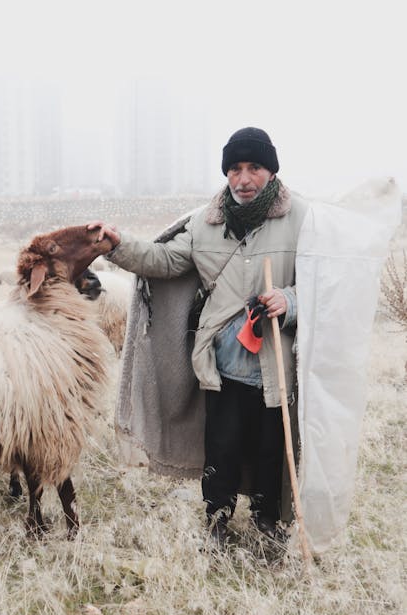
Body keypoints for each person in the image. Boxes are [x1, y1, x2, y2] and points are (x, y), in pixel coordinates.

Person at [90, 127, 309, 547]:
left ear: (271, 170)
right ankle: (218, 523)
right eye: (235, 169)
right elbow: (164, 260)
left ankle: (268, 525)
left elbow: (323, 282)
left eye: (254, 168)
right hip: (222, 364)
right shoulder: (207, 222)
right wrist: (118, 246)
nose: (243, 179)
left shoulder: (299, 219)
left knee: (271, 452)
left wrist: (290, 300)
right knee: (221, 448)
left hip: (275, 367)